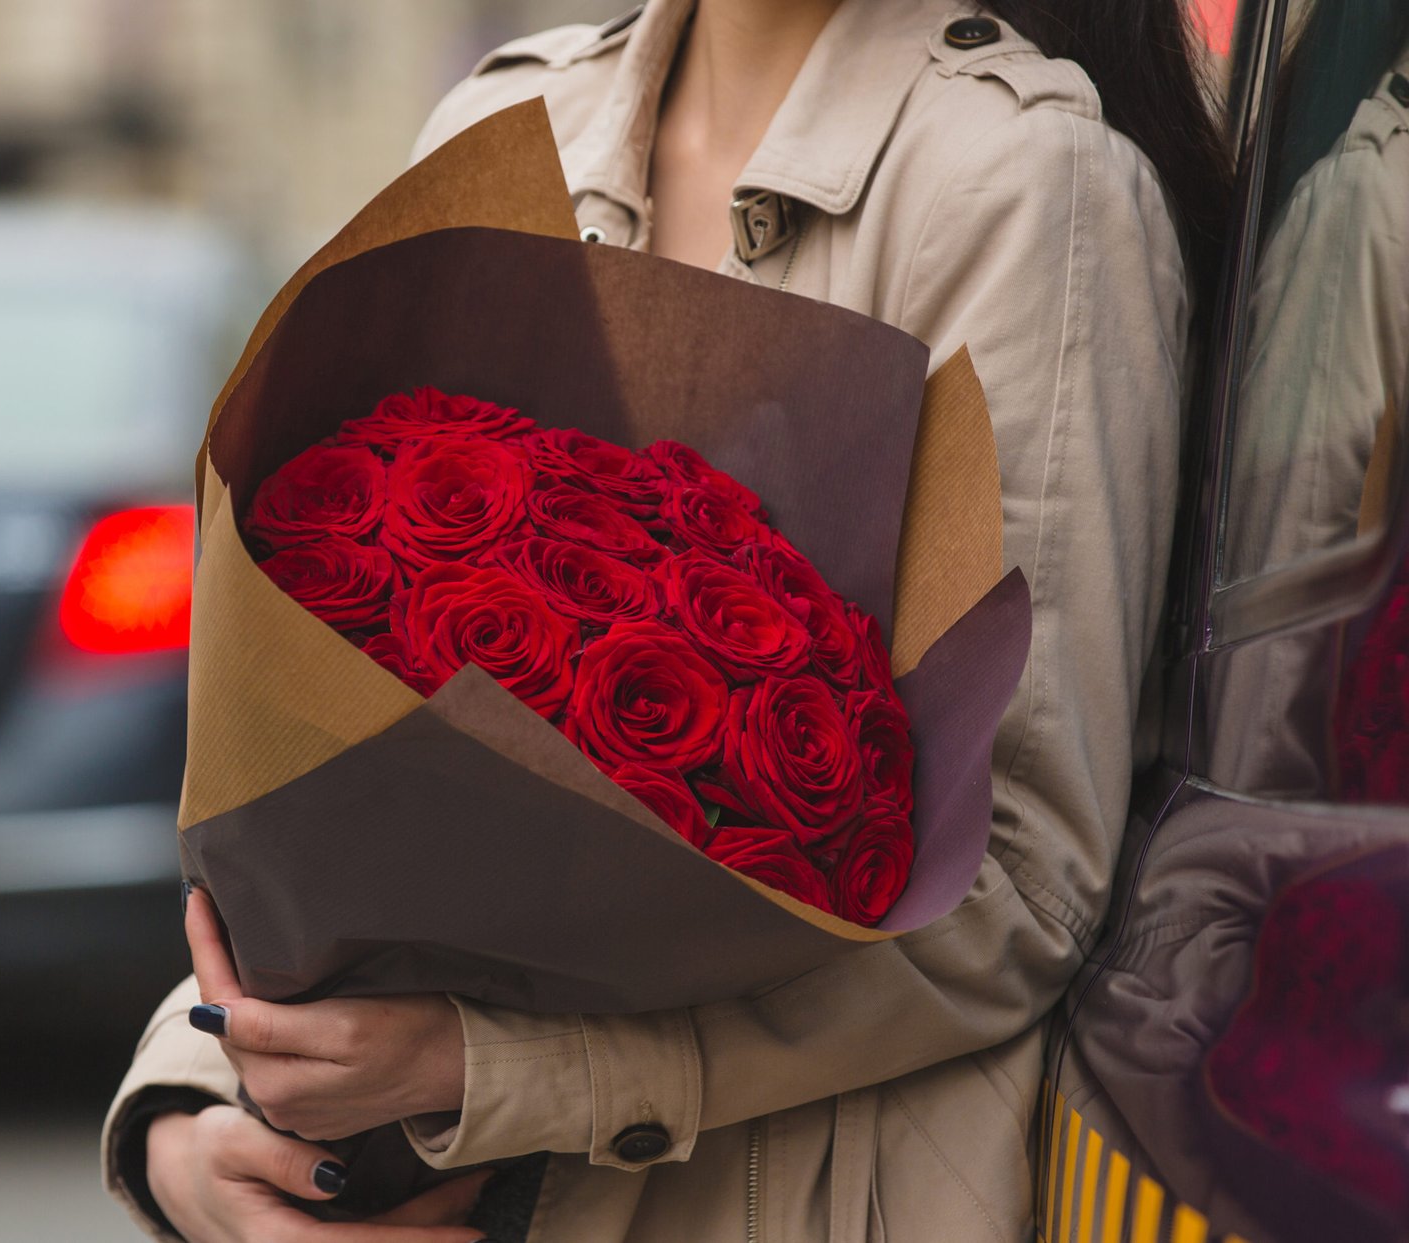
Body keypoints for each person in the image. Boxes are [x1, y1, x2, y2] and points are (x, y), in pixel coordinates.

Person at [101, 1, 1225, 1239]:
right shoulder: (507, 115)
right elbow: (329, 765)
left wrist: (496, 1069)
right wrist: (188, 1113)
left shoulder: (1023, 183)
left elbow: (1019, 886)